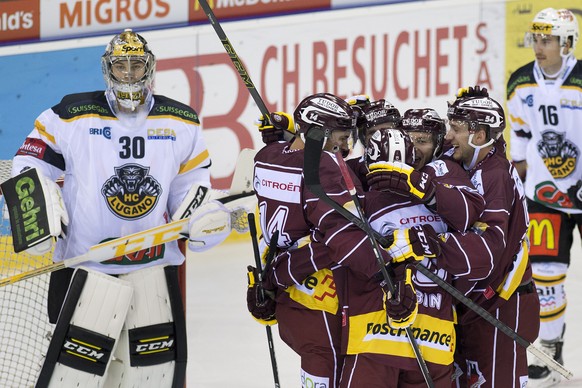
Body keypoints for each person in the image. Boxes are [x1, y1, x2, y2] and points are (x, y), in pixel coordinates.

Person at [11, 29, 242, 387]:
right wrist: (36, 210)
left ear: (149, 68)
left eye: (137, 65)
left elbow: (191, 184)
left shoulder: (180, 121)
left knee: (153, 375)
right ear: (109, 69)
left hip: (153, 269)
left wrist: (198, 216)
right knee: (73, 375)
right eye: (122, 66)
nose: (129, 73)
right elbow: (28, 161)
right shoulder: (71, 114)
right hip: (83, 267)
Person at [248, 93, 395, 388]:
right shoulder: (324, 165)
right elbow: (341, 234)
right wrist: (384, 269)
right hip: (323, 301)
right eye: (341, 136)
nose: (346, 146)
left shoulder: (266, 156)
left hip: (287, 296)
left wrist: (287, 133)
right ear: (319, 133)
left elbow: (292, 158)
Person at [338, 109, 485, 387]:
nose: (415, 149)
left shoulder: (444, 174)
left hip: (422, 337)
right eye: (410, 140)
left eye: (423, 140)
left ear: (439, 141)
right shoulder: (366, 190)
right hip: (391, 333)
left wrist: (426, 191)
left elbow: (472, 223)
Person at [444, 86, 539, 387]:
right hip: (483, 304)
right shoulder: (480, 162)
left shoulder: (493, 175)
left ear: (479, 136)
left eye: (456, 129)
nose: (448, 137)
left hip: (502, 304)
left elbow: (490, 250)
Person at [506, 7, 582, 386]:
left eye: (547, 39)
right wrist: (512, 185)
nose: (539, 45)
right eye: (536, 37)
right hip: (544, 195)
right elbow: (519, 143)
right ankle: (550, 354)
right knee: (546, 278)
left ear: (568, 43)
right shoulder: (520, 82)